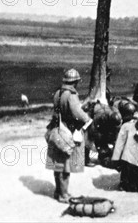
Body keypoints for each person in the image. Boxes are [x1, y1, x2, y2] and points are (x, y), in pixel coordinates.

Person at [45, 68, 92, 203]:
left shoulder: (58, 93)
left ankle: (57, 191)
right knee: (66, 166)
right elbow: (77, 113)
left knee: (57, 165)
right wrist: (87, 118)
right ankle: (63, 195)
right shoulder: (71, 95)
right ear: (75, 82)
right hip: (68, 132)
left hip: (56, 131)